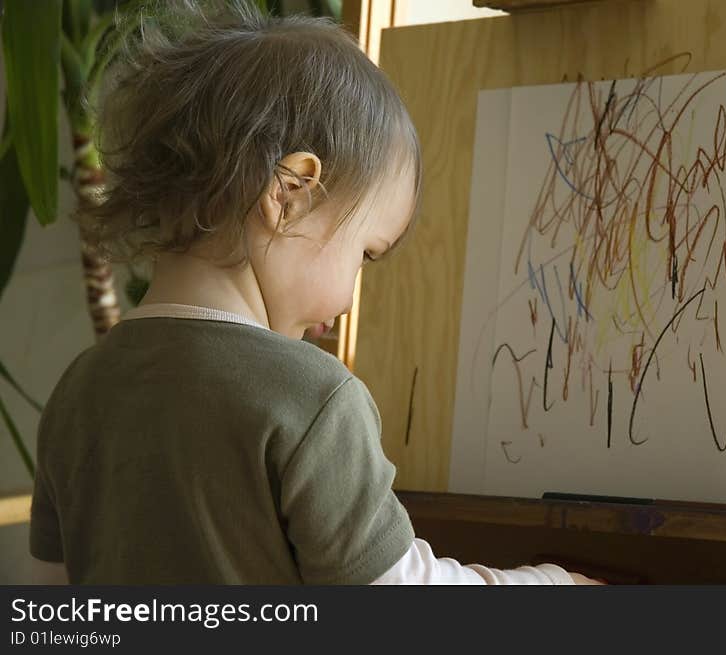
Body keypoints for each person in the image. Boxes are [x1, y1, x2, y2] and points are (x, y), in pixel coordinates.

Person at [29, 0, 598, 586]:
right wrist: (557, 587)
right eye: (365, 253)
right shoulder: (312, 399)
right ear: (291, 194)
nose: (352, 297)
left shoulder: (80, 390)